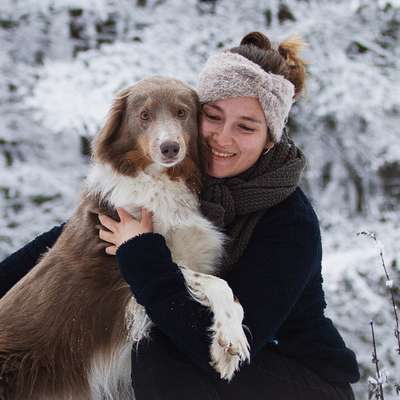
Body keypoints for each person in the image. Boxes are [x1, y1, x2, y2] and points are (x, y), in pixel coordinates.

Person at [0, 31, 360, 399]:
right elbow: (71, 238)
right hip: (220, 371)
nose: (222, 137)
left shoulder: (288, 219)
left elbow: (213, 345)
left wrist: (141, 251)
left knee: (156, 351)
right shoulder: (186, 183)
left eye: (246, 127)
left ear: (270, 138)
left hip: (294, 378)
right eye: (213, 117)